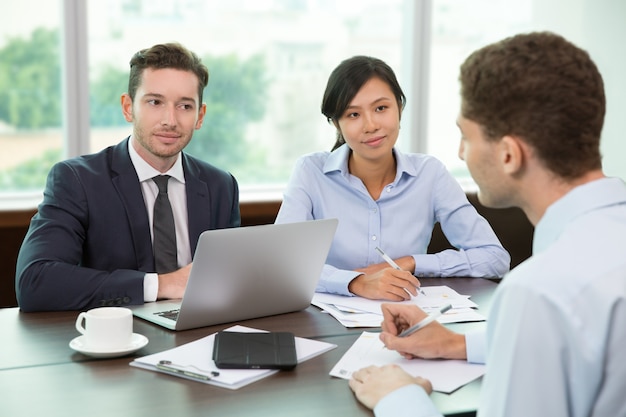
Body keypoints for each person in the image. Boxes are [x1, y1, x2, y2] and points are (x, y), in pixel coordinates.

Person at [349, 31, 626, 417]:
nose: (461, 152)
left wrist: (398, 397)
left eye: (465, 136)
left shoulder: (540, 292)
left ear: (509, 154)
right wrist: (456, 344)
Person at [16, 43, 240, 312]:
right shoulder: (77, 180)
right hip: (115, 340)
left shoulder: (221, 186)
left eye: (184, 106)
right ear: (127, 107)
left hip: (199, 334)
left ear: (200, 116)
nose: (170, 120)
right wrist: (162, 285)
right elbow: (35, 283)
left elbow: (230, 281)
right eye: (155, 102)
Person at [275, 55, 509, 301]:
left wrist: (409, 263)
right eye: (353, 115)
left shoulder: (430, 174)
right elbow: (282, 263)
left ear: (399, 108)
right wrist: (356, 283)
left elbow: (494, 258)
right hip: (326, 320)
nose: (371, 125)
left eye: (381, 108)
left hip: (405, 315)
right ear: (337, 124)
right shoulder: (310, 171)